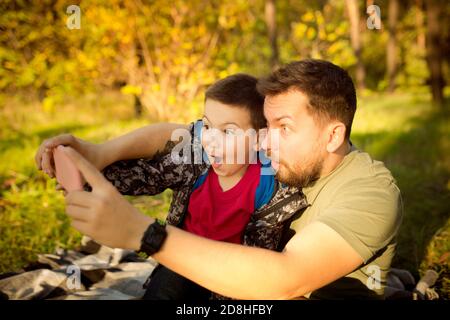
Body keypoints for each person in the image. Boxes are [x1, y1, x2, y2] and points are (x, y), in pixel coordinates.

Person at [36, 59, 402, 299]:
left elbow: (288, 278)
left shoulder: (371, 193)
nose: (265, 140)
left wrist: (142, 232)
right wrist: (99, 153)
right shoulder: (269, 151)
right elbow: (178, 134)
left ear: (333, 136)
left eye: (284, 128)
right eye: (266, 127)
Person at [36, 74, 308, 300]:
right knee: (165, 291)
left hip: (232, 276)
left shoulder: (269, 188)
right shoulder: (194, 164)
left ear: (259, 139)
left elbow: (258, 264)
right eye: (208, 126)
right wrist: (84, 173)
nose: (211, 140)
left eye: (228, 132)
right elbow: (145, 176)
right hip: (181, 260)